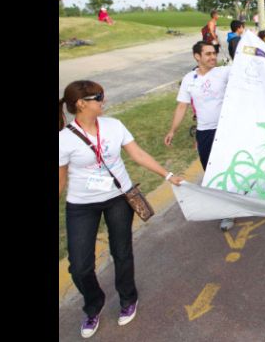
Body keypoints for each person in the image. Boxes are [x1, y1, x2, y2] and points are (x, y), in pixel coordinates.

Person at [60, 81, 185, 338]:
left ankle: (128, 298)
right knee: (80, 266)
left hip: (119, 197)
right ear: (82, 104)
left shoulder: (114, 126)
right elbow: (61, 180)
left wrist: (168, 174)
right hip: (81, 205)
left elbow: (138, 155)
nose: (103, 101)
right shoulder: (63, 140)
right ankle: (93, 305)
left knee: (122, 252)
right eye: (99, 97)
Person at [165, 41, 233, 231]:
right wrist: (173, 130)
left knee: (227, 168)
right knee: (211, 172)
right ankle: (226, 205)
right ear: (197, 56)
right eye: (208, 54)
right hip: (204, 132)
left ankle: (229, 211)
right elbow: (182, 106)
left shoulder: (224, 72)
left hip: (226, 129)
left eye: (214, 54)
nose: (213, 57)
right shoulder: (189, 79)